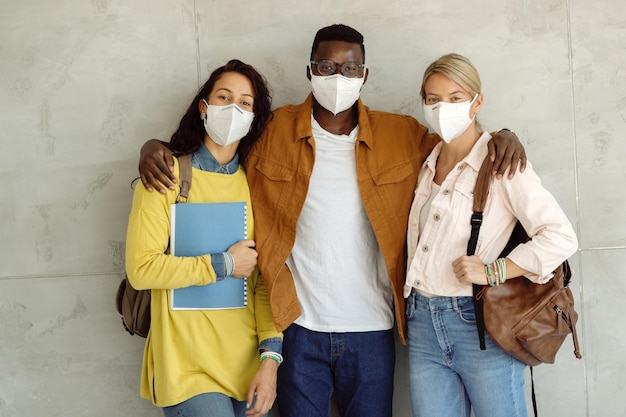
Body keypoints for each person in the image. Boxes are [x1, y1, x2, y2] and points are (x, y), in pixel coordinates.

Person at [137, 25, 526, 417]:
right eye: (325, 66)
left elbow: (458, 146)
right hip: (297, 326)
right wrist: (156, 148)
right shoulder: (273, 130)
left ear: (365, 75)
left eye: (350, 68)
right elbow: (221, 147)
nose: (337, 77)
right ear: (309, 72)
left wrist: (502, 135)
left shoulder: (401, 134)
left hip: (373, 328)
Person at [404, 53, 578, 417]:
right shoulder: (425, 159)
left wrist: (493, 271)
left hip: (477, 322)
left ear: (477, 102)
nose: (442, 108)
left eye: (455, 98)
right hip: (421, 323)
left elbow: (560, 236)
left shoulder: (502, 163)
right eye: (432, 100)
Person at [125, 59, 282, 417]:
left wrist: (270, 358)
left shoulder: (254, 184)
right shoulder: (165, 177)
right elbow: (141, 269)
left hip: (247, 367)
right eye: (224, 97)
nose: (233, 108)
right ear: (204, 107)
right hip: (185, 366)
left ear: (254, 116)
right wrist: (224, 264)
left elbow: (262, 283)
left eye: (245, 103)